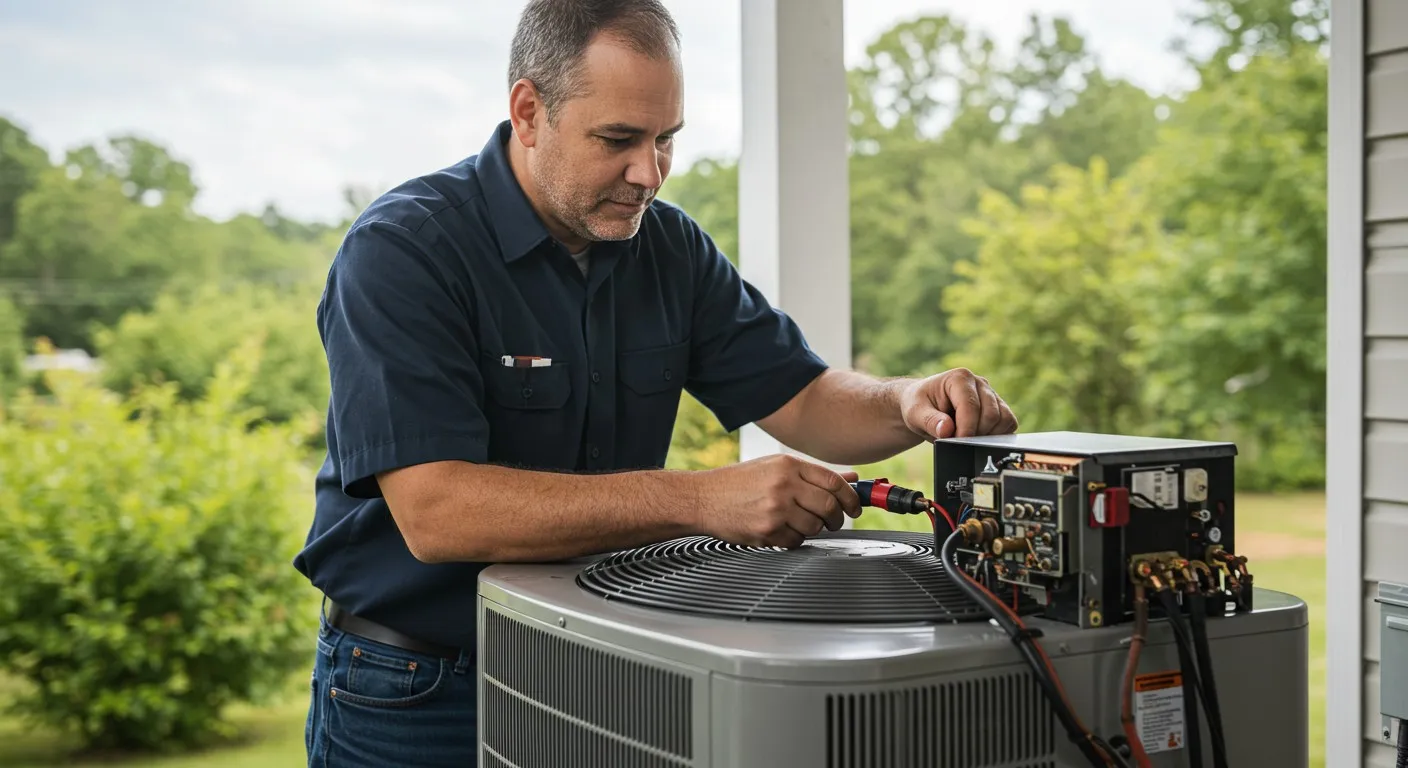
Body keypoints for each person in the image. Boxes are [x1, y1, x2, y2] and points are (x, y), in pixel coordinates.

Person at [295, 0, 1018, 765]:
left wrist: (904, 401)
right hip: (416, 689)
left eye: (666, 138)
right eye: (618, 140)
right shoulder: (403, 252)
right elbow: (439, 513)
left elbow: (803, 397)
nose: (649, 174)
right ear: (529, 112)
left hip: (605, 664)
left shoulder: (670, 248)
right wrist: (700, 501)